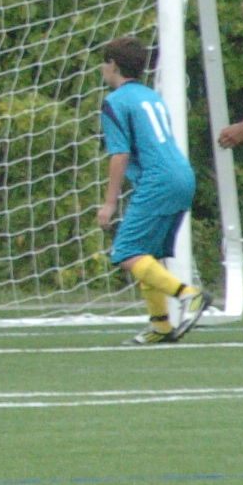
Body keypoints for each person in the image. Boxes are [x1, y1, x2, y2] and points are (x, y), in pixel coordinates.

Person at [96, 35, 207, 344]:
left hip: (158, 180)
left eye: (104, 63)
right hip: (182, 175)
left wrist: (108, 203)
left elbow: (119, 154)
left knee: (126, 252)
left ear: (112, 65)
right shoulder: (150, 96)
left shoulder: (115, 102)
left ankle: (189, 294)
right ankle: (160, 325)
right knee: (147, 254)